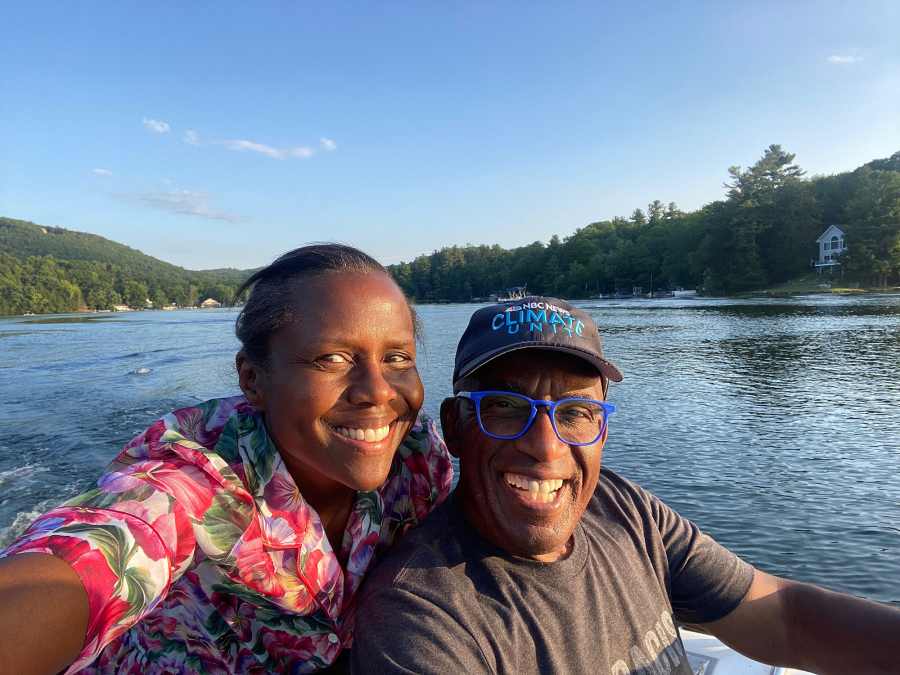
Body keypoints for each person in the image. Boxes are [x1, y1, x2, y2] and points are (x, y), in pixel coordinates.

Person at [352, 296, 900, 675]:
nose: (546, 447)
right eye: (505, 408)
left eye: (576, 413)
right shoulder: (421, 618)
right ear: (455, 428)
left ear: (602, 427)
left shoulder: (624, 509)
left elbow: (784, 617)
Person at [0, 244, 453, 674]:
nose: (377, 391)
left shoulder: (415, 456)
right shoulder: (192, 482)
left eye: (397, 357)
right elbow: (103, 546)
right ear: (253, 380)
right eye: (331, 358)